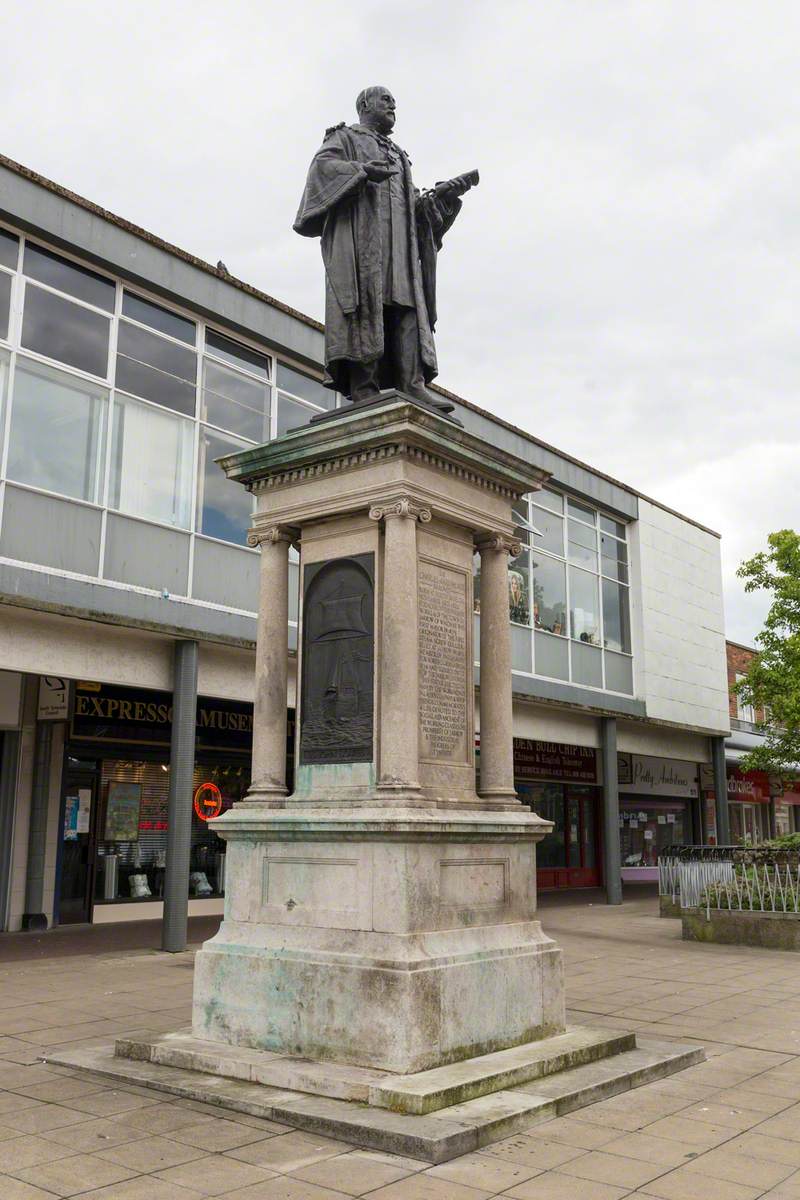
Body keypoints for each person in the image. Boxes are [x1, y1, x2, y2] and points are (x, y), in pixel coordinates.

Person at [294, 86, 474, 411]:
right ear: (365, 104)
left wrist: (439, 199)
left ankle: (412, 383)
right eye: (386, 100)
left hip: (400, 246)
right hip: (364, 243)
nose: (393, 106)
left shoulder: (400, 155)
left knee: (406, 307)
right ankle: (365, 386)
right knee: (367, 303)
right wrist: (361, 171)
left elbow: (413, 207)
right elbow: (322, 170)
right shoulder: (345, 138)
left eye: (395, 102)